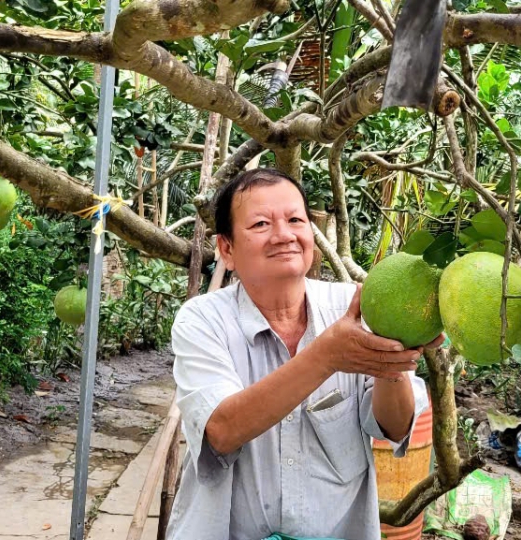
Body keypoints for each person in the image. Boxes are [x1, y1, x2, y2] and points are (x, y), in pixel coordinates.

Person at [165, 168, 441, 540]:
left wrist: (389, 358)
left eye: (296, 220)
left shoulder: (354, 308)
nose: (284, 235)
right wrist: (326, 357)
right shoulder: (203, 320)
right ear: (226, 249)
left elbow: (393, 427)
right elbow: (222, 431)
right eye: (261, 224)